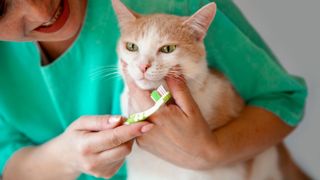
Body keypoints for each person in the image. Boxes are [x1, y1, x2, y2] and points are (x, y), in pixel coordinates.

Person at [0, 0, 307, 179]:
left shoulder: (173, 5)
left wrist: (210, 151)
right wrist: (68, 155)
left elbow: (281, 100)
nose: (40, 10)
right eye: (2, 7)